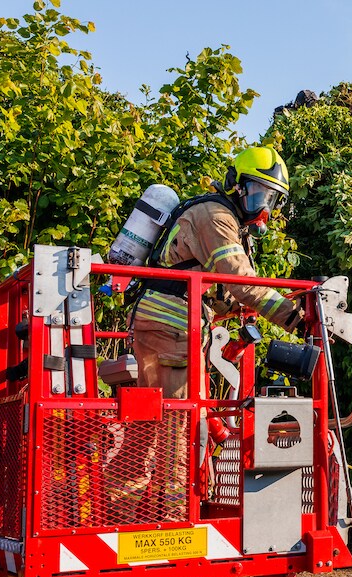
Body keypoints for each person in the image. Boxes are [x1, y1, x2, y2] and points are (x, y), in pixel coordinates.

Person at [129, 146, 302, 398]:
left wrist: (238, 307)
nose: (263, 208)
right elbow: (243, 283)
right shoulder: (217, 217)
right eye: (257, 194)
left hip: (175, 326)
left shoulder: (225, 218)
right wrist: (297, 319)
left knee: (176, 415)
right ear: (235, 184)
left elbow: (223, 289)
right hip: (170, 325)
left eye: (269, 199)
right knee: (179, 417)